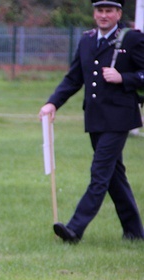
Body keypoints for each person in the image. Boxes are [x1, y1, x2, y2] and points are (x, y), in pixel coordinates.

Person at [39, 0, 144, 243]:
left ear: (119, 13)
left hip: (119, 118)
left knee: (99, 173)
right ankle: (135, 233)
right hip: (96, 119)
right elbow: (74, 78)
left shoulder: (132, 39)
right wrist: (52, 102)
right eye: (100, 10)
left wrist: (123, 77)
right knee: (114, 177)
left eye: (109, 11)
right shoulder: (87, 39)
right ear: (94, 13)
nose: (104, 15)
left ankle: (74, 230)